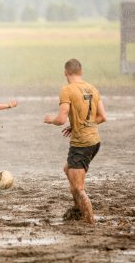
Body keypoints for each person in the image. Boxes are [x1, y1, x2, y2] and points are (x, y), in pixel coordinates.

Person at [44, 59, 107, 224]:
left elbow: (61, 119)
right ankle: (77, 210)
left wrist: (50, 119)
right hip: (94, 142)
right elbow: (102, 117)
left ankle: (90, 222)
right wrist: (78, 125)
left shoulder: (67, 90)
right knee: (68, 169)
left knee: (78, 188)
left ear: (65, 72)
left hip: (82, 144)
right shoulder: (92, 88)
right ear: (81, 71)